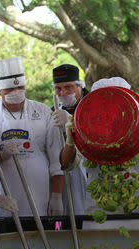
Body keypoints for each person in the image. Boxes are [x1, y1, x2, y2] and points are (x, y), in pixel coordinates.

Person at [60, 77, 139, 229]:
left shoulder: (136, 122)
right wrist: (70, 140)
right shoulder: (87, 130)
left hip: (135, 207)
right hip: (99, 211)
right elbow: (66, 163)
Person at [0, 56, 64, 231]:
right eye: (10, 89)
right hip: (4, 202)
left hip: (40, 199)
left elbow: (56, 159)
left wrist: (56, 195)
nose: (16, 92)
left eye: (20, 87)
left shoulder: (42, 111)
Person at [51, 64, 88, 221]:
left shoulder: (92, 105)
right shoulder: (53, 111)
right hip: (67, 179)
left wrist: (74, 122)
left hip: (91, 174)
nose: (63, 93)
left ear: (80, 85)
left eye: (68, 87)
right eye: (58, 89)